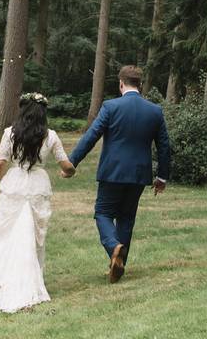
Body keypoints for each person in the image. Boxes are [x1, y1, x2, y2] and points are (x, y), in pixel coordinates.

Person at [66, 65, 171, 283]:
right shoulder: (154, 111)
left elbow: (92, 135)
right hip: (138, 175)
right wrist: (162, 176)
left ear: (121, 84)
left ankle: (114, 248)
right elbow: (164, 147)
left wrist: (72, 161)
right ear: (140, 85)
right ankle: (118, 264)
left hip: (112, 172)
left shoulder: (110, 107)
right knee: (126, 218)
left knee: (103, 212)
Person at [0, 92, 76, 313]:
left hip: (14, 183)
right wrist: (69, 173)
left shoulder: (9, 133)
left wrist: (4, 179)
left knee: (3, 232)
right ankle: (31, 278)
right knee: (34, 235)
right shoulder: (50, 136)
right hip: (37, 185)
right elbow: (66, 164)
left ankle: (5, 278)